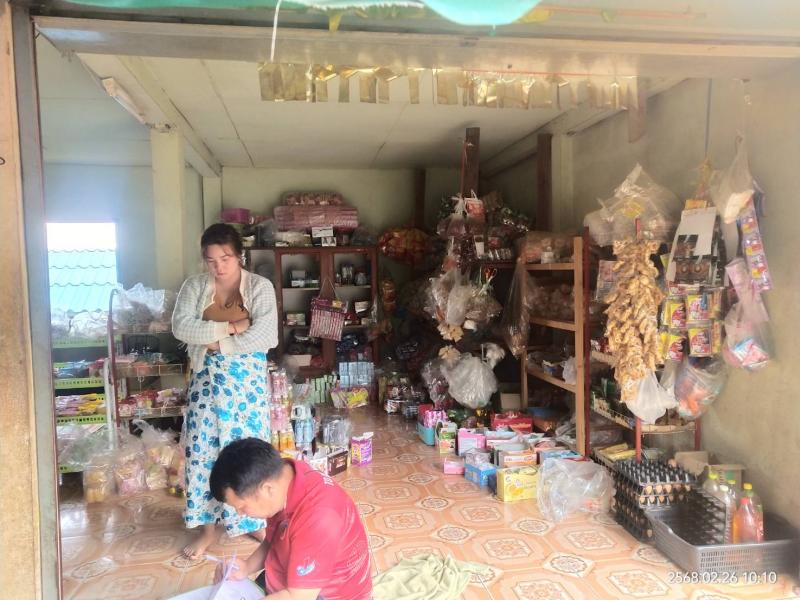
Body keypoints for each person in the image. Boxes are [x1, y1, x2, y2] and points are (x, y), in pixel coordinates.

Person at [172, 223, 278, 559]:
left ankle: (252, 520)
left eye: (226, 258)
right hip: (206, 382)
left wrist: (219, 343)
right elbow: (181, 327)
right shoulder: (195, 286)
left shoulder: (259, 287)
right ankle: (208, 529)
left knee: (248, 453)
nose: (218, 266)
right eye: (211, 260)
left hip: (246, 385)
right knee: (202, 454)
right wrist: (232, 327)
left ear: (239, 256)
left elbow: (266, 335)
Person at [209, 438, 372, 600]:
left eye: (242, 507)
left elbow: (300, 596)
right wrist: (246, 567)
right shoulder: (285, 477)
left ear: (267, 489)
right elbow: (273, 539)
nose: (240, 513)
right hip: (293, 579)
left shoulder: (318, 517)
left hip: (322, 594)